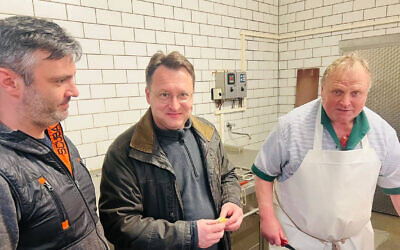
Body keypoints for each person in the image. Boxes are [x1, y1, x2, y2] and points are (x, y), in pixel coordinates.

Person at [252, 53, 400, 250]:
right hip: (298, 238)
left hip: (355, 241)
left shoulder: (383, 134)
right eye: (337, 92)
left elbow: (397, 188)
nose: (345, 102)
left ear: (366, 93)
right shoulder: (291, 127)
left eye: (355, 93)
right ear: (322, 90)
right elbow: (264, 173)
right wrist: (267, 218)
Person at [99, 51, 243, 249]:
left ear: (192, 96)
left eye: (183, 95)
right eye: (164, 94)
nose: (174, 105)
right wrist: (189, 235)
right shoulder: (124, 152)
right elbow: (119, 225)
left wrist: (232, 201)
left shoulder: (207, 133)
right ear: (149, 95)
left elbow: (227, 175)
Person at [0, 16, 109, 249]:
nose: (75, 91)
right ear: (9, 82)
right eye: (60, 81)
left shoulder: (58, 139)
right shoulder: (4, 176)